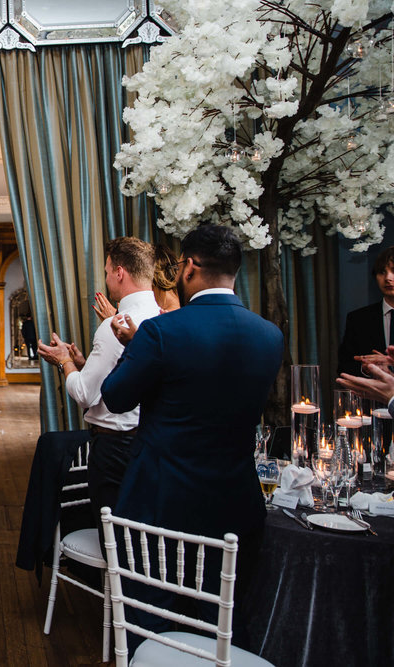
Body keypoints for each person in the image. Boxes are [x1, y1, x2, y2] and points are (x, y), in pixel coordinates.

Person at [100, 225, 283, 648]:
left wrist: (133, 345)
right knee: (223, 624)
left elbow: (115, 396)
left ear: (188, 267)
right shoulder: (270, 336)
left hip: (161, 505)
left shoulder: (162, 332)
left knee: (152, 625)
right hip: (236, 505)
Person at [37, 237, 162, 549]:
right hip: (149, 446)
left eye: (107, 271)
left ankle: (112, 597)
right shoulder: (165, 319)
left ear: (120, 272)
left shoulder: (114, 325)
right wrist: (84, 362)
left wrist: (65, 361)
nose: (106, 278)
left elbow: (83, 393)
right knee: (139, 539)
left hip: (113, 450)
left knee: (115, 543)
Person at [337, 246, 394, 376]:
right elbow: (344, 367)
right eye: (382, 272)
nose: (388, 278)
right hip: (371, 395)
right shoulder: (359, 319)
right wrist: (367, 369)